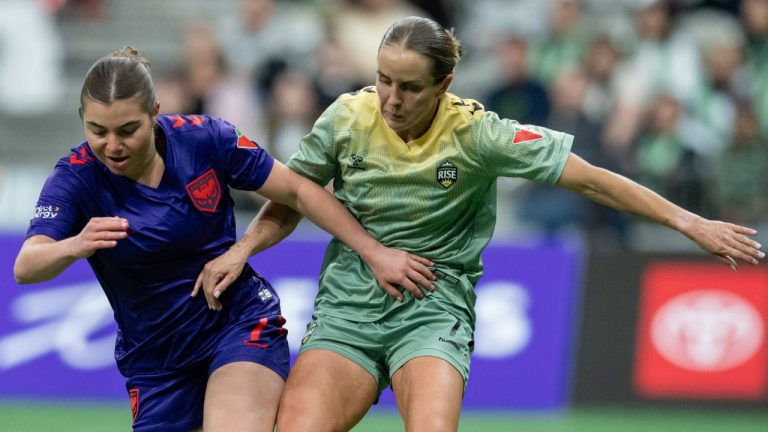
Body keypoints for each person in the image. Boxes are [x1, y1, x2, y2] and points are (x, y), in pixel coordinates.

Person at [196, 17, 765, 432]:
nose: (390, 99)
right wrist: (244, 248)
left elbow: (591, 179)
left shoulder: (478, 134)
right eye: (384, 79)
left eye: (409, 87)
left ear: (443, 85)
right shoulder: (347, 117)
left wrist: (688, 222)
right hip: (348, 313)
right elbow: (293, 196)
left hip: (432, 312)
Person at [12, 47, 434, 432]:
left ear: (154, 112)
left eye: (127, 129)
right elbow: (26, 266)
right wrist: (75, 244)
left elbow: (299, 191)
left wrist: (374, 253)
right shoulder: (76, 176)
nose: (113, 145)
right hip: (156, 363)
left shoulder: (204, 139)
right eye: (97, 131)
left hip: (235, 322)